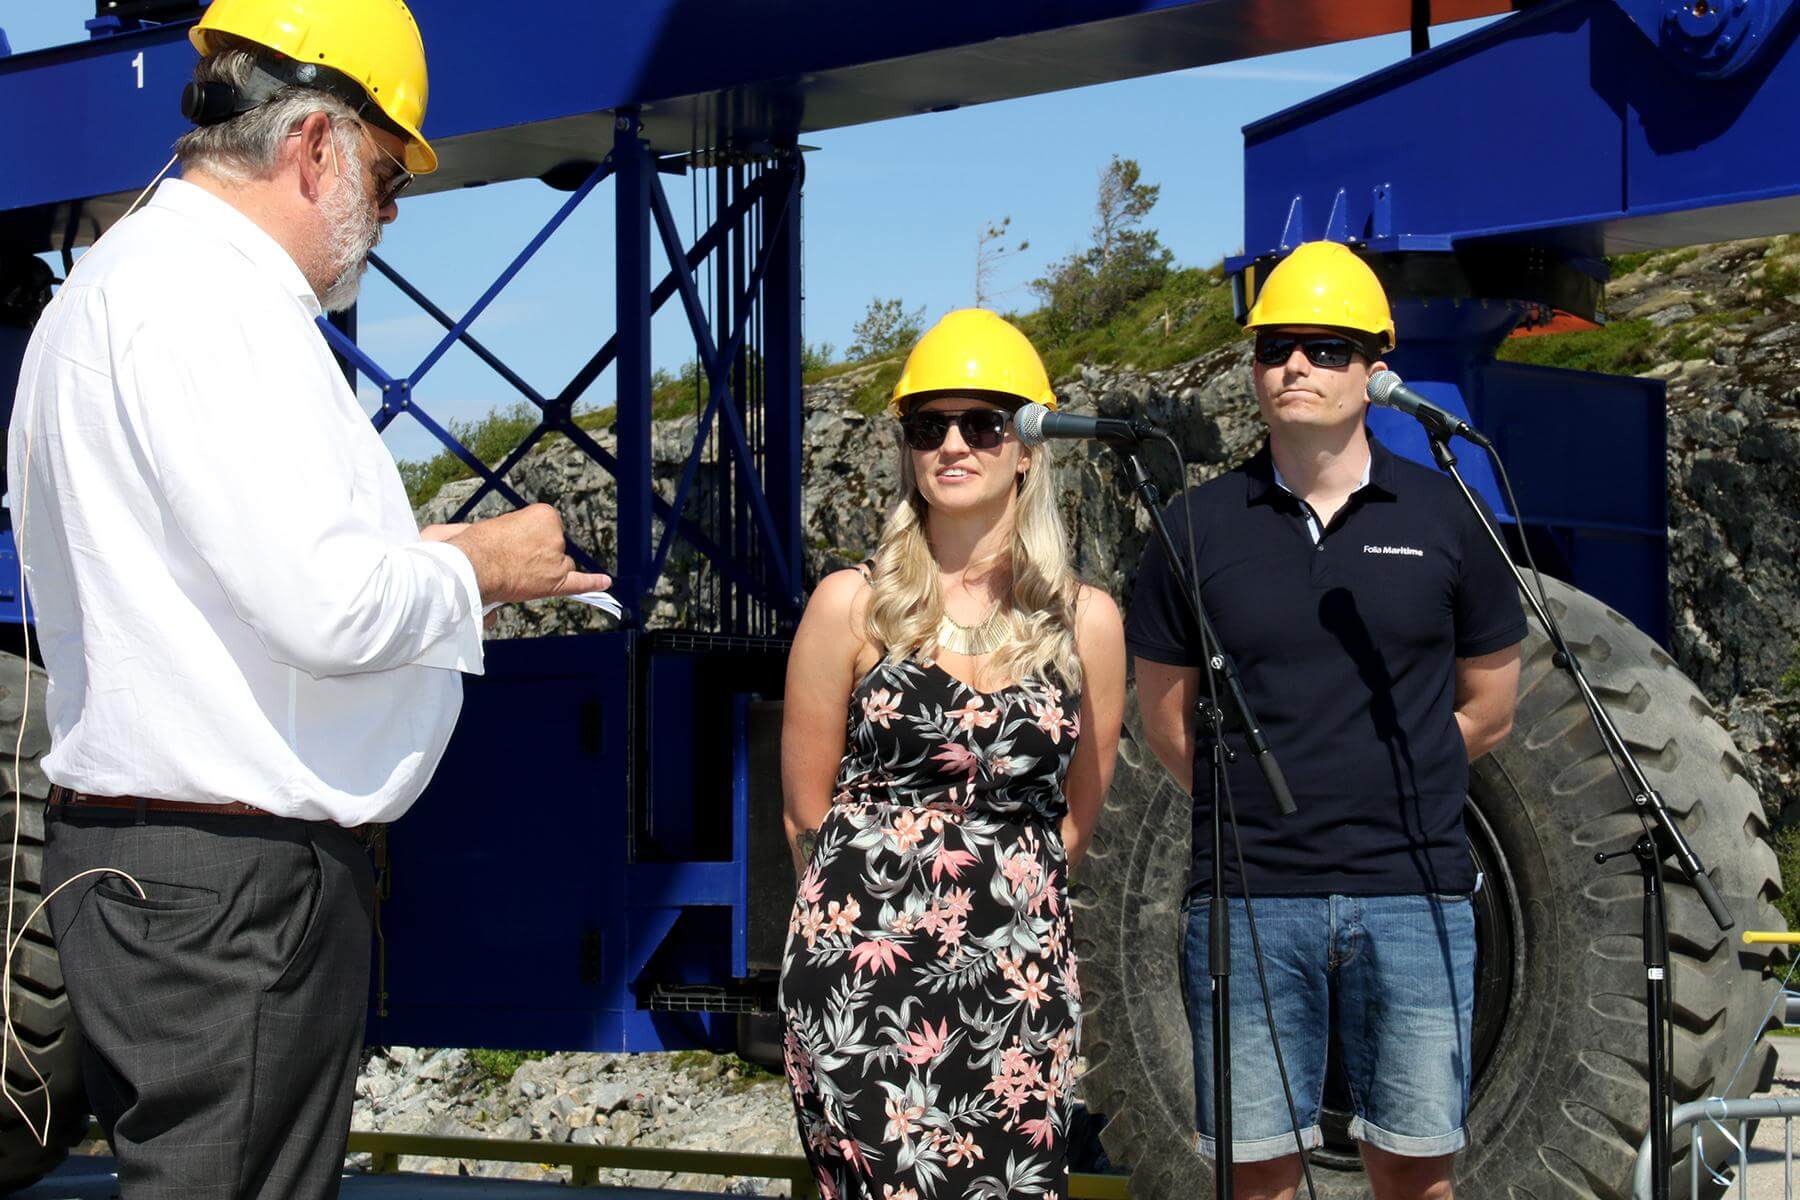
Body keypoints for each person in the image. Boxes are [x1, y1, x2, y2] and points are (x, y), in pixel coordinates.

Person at [6, 2, 607, 1195]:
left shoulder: (116, 290)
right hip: (235, 890)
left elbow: (222, 579)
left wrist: (407, 553)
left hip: (166, 869)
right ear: (318, 147)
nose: (384, 215)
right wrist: (489, 562)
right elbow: (325, 608)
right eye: (388, 180)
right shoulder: (213, 306)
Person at [1125, 242, 1525, 1200]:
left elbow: (1493, 708)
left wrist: (1395, 782)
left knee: (1417, 1170)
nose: (1295, 366)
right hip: (1251, 902)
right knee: (1254, 1175)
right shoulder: (1193, 528)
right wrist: (1269, 806)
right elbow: (1167, 725)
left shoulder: (1449, 513)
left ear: (1374, 369)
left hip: (1415, 896)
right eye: (1274, 347)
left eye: (1326, 348)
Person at [777, 309, 1125, 1200]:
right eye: (929, 426)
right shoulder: (849, 606)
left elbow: (1078, 818)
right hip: (862, 978)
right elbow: (804, 813)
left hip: (1015, 981)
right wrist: (875, 920)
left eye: (983, 423)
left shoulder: (1086, 622)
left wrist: (991, 902)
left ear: (1029, 448)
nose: (955, 444)